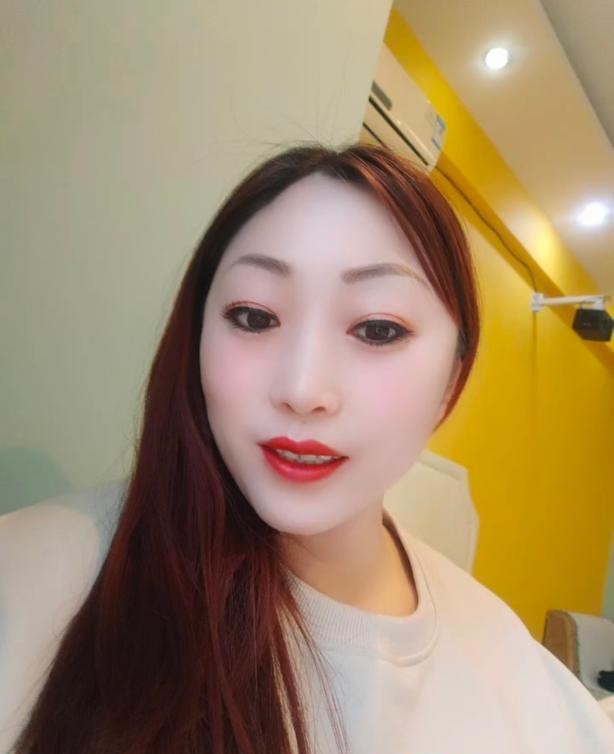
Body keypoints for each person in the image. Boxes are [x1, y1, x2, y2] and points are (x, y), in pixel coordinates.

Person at [2, 144, 613, 754]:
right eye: (254, 317)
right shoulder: (33, 576)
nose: (301, 390)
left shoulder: (507, 664)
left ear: (452, 379)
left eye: (377, 329)